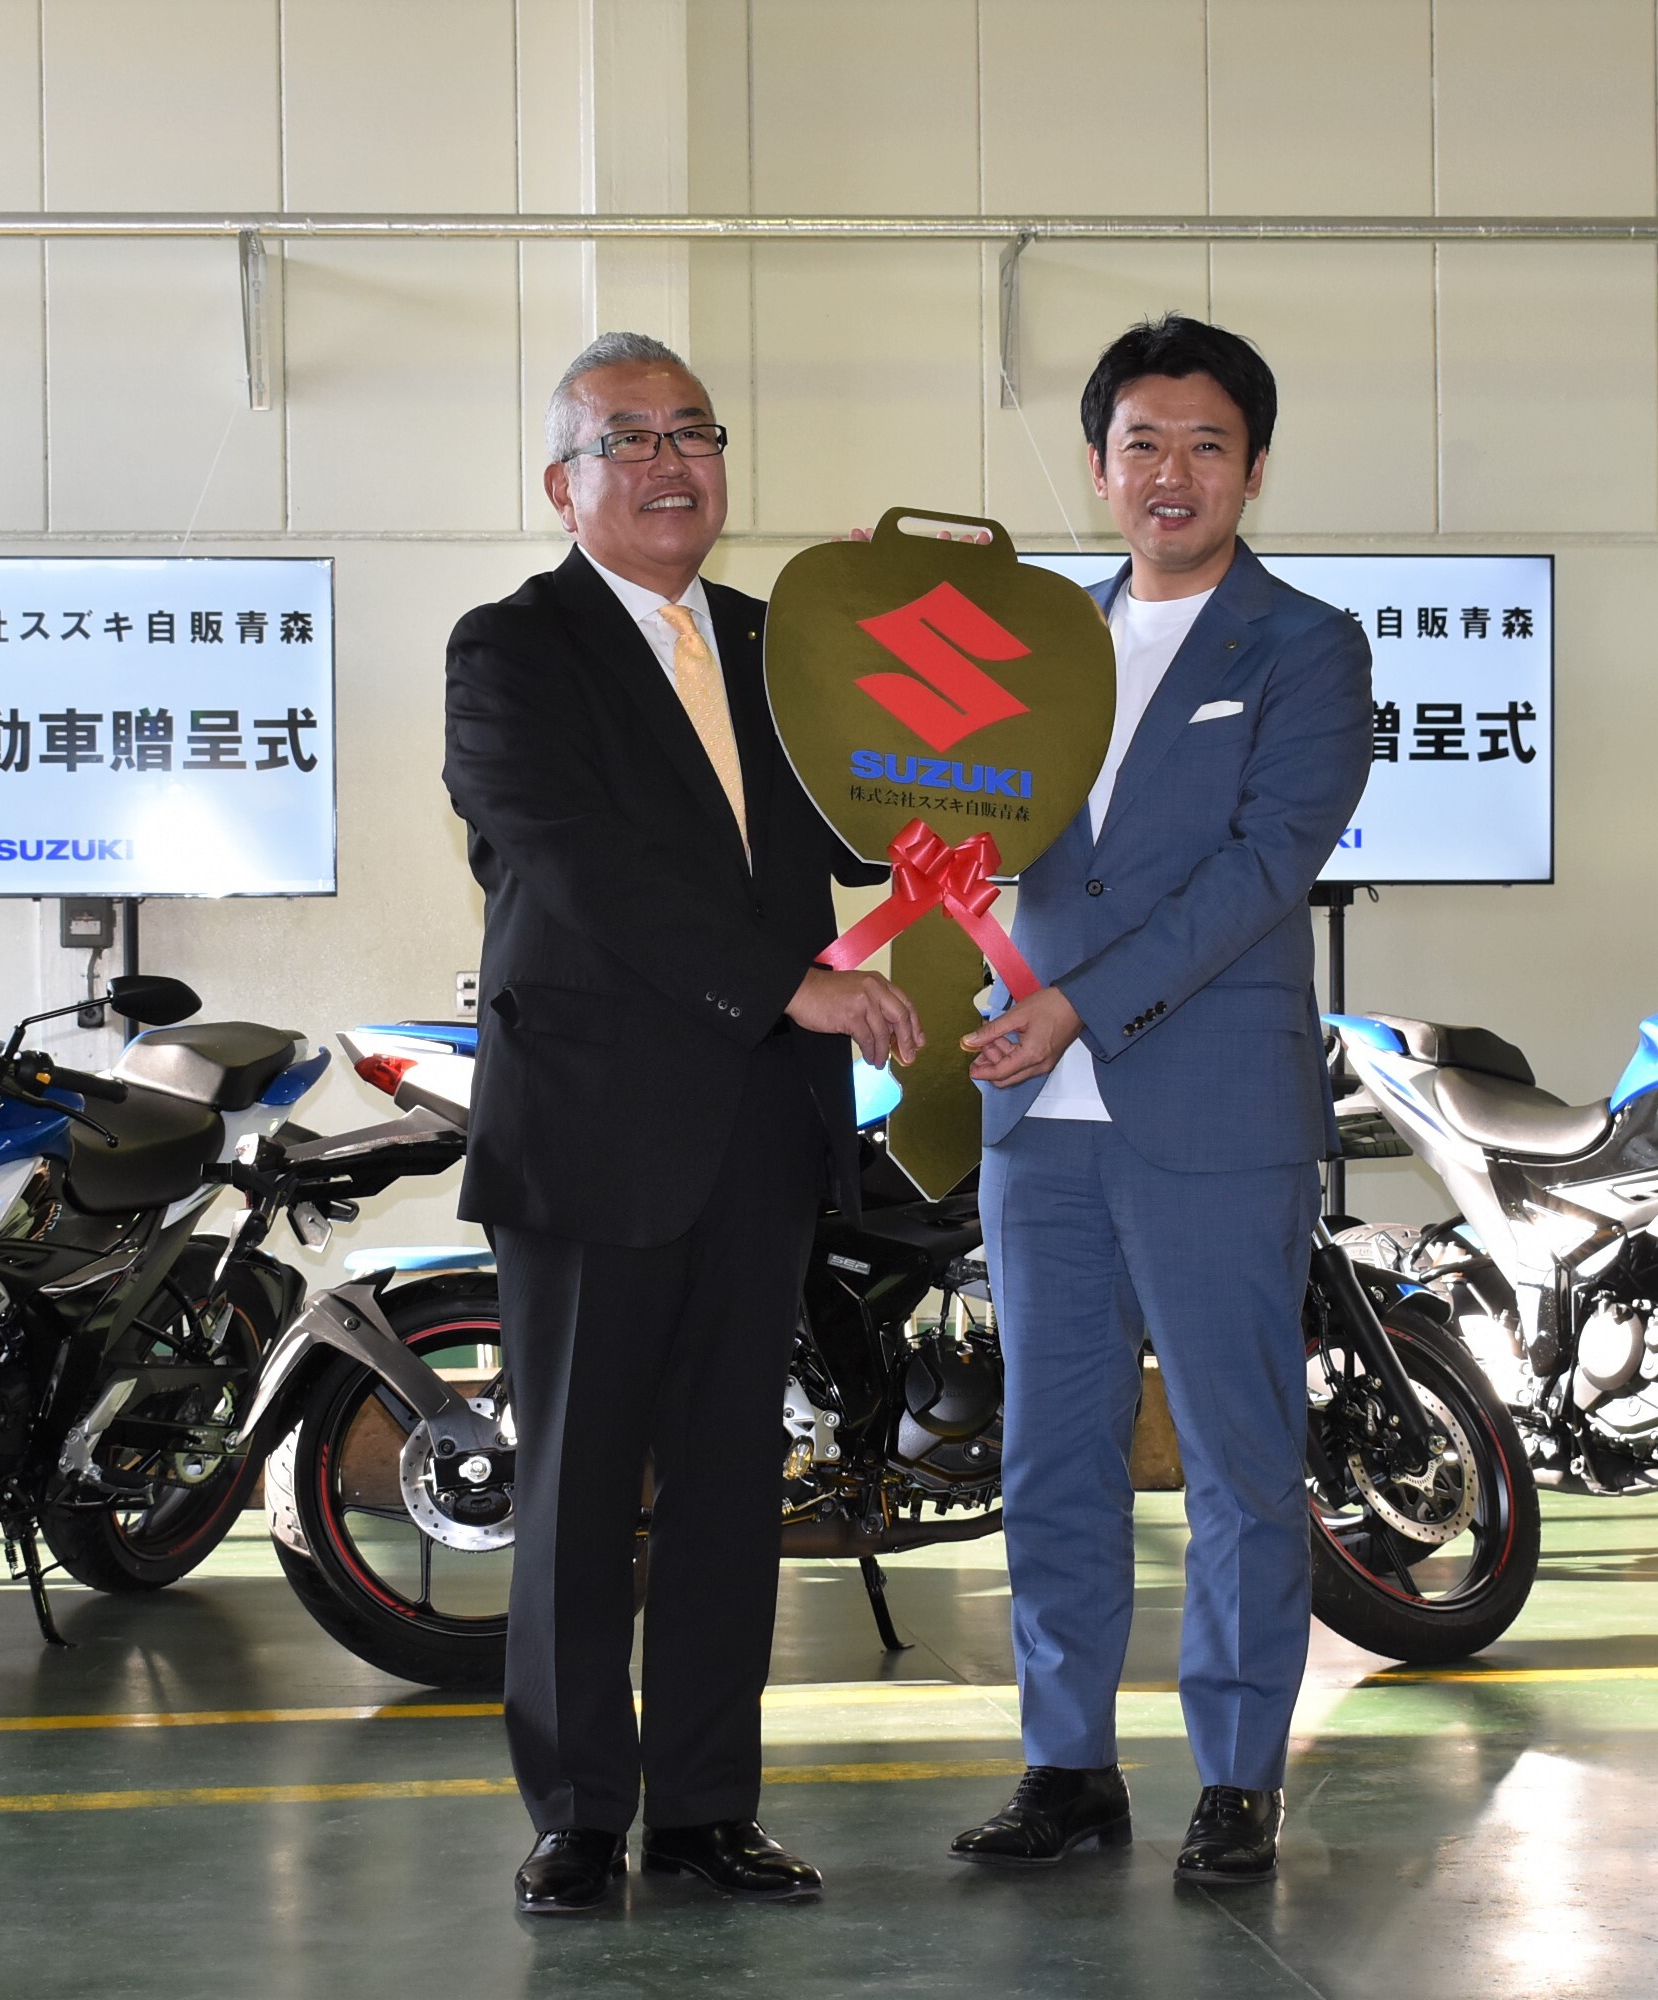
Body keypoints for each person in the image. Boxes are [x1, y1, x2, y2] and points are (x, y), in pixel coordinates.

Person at [443, 331, 923, 1916]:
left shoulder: (784, 644)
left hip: (761, 1129)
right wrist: (788, 985)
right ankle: (580, 1816)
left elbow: (863, 825)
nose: (668, 463)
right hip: (593, 1124)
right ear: (563, 482)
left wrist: (935, 742)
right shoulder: (512, 650)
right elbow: (582, 862)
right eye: (629, 437)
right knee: (580, 1489)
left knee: (729, 1484)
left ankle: (710, 1811)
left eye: (693, 433)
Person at [949, 316, 1374, 1884]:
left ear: (1254, 469)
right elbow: (927, 805)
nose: (1171, 473)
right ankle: (1067, 1766)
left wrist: (1077, 1003)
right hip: (1034, 1121)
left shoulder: (1306, 646)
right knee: (1050, 1459)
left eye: (1207, 444)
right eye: (1142, 443)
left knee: (1237, 1458)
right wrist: (884, 643)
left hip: (1210, 1114)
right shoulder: (1034, 643)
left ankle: (1239, 1775)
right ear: (1096, 464)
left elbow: (1263, 872)